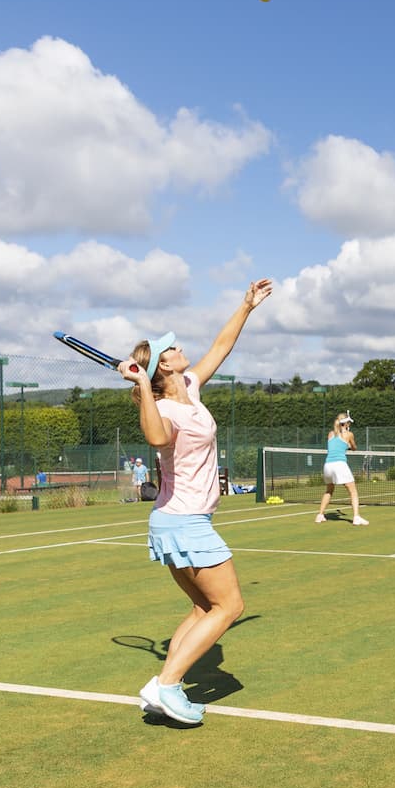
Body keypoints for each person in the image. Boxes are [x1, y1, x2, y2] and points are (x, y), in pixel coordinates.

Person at [120, 277, 273, 725]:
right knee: (229, 607)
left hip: (177, 520)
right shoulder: (163, 407)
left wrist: (246, 306)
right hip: (184, 521)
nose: (179, 348)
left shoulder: (189, 385)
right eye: (170, 350)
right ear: (160, 370)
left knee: (205, 608)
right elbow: (154, 436)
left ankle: (159, 684)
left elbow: (220, 348)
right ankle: (169, 685)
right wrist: (144, 390)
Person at [317, 411, 368, 525]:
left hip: (328, 466)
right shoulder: (349, 435)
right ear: (345, 424)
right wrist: (349, 444)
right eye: (348, 423)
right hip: (339, 465)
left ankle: (320, 515)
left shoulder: (330, 434)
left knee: (329, 490)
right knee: (353, 491)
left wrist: (346, 444)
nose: (349, 424)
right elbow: (354, 447)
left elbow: (337, 445)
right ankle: (356, 517)